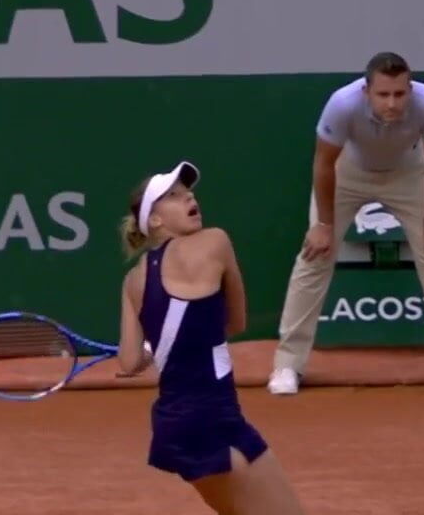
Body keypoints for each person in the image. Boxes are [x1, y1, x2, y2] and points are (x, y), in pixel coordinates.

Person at [268, 52, 424, 396]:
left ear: (410, 89)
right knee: (314, 256)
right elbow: (324, 164)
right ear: (366, 91)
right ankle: (287, 364)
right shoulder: (342, 104)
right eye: (383, 94)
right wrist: (324, 225)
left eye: (400, 94)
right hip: (348, 175)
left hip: (409, 174)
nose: (392, 103)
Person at [116, 160, 307, 515]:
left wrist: (160, 344)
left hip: (177, 425)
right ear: (154, 220)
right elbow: (235, 322)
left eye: (188, 192)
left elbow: (128, 363)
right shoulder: (214, 241)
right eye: (174, 196)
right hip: (211, 417)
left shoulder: (132, 281)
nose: (190, 197)